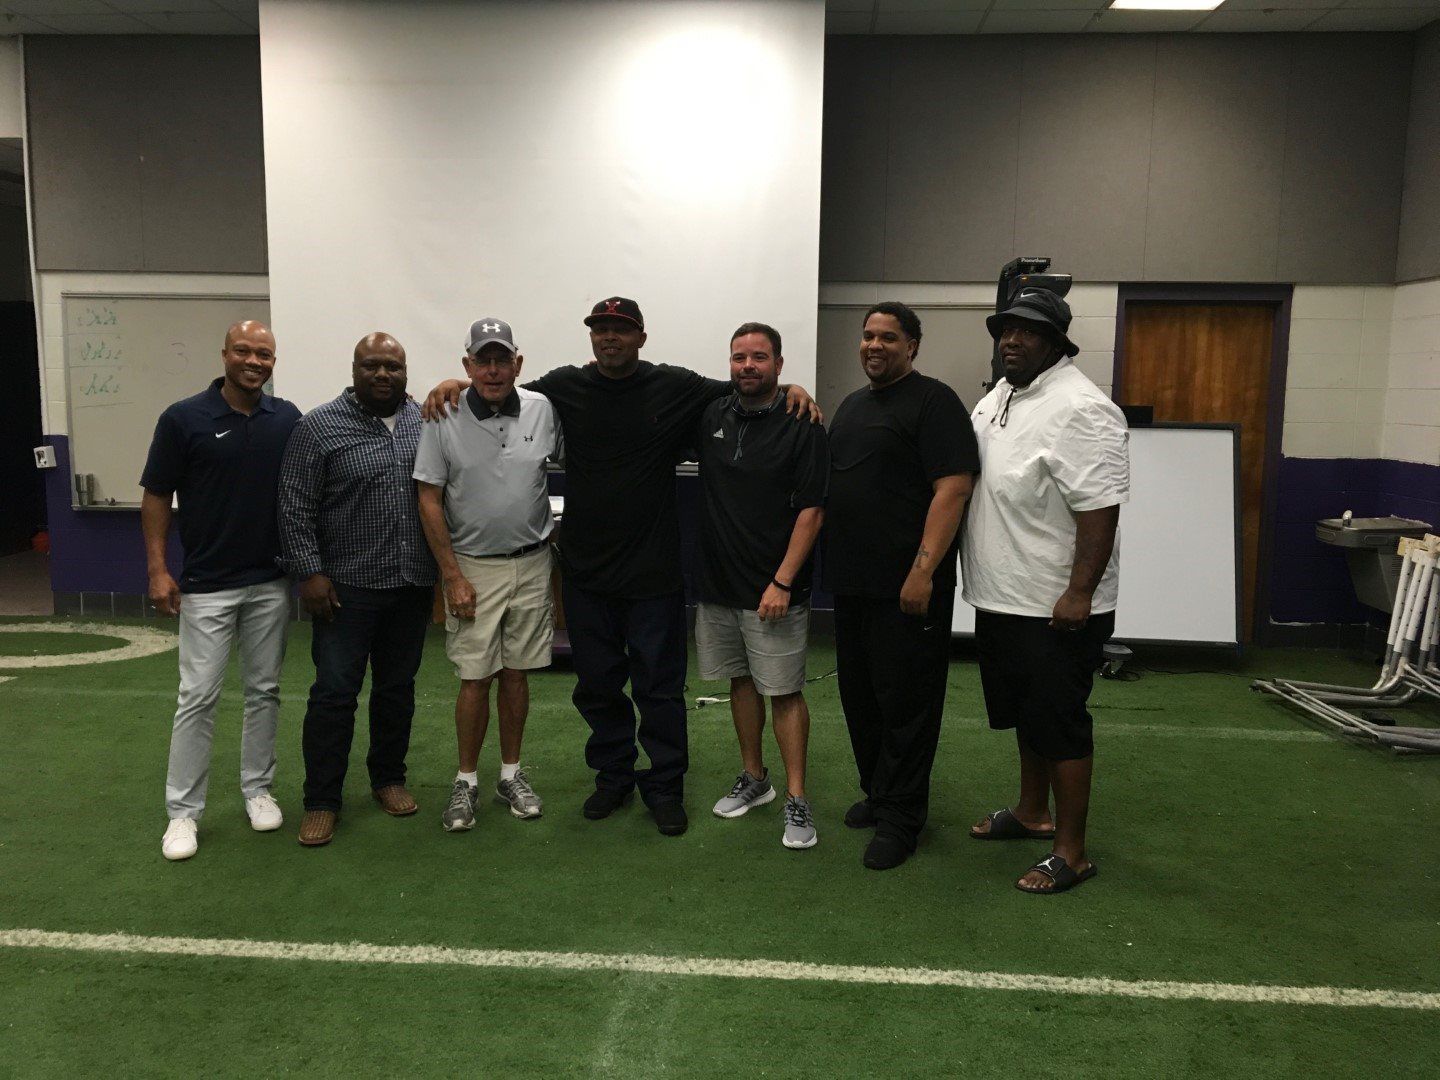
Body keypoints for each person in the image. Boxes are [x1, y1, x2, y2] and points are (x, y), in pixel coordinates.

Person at [424, 297, 818, 837]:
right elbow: (498, 387)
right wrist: (451, 383)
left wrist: (794, 388)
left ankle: (664, 786)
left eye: (621, 330)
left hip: (654, 575)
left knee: (658, 688)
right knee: (599, 686)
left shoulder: (674, 385)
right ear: (591, 337)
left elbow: (747, 386)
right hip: (587, 574)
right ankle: (612, 778)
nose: (609, 338)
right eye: (601, 329)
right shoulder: (563, 387)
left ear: (641, 337)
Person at [962, 288, 1129, 894]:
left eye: (1028, 332)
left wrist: (1078, 592)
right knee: (1025, 717)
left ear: (1057, 343)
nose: (1012, 340)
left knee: (1059, 724)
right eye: (1005, 329)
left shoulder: (1081, 408)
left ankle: (1072, 850)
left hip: (1053, 606)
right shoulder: (1001, 395)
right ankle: (1033, 812)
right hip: (1002, 596)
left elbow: (1100, 507)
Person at [824, 301, 978, 871]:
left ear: (913, 346)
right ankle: (879, 793)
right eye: (868, 336)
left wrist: (923, 571)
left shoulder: (935, 402)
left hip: (909, 590)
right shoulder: (852, 406)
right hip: (854, 585)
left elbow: (953, 488)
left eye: (888, 337)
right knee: (861, 699)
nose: (874, 346)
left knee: (907, 704)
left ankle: (902, 820)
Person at [141, 319, 301, 862]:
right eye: (244, 351)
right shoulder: (183, 419)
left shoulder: (287, 420)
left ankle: (257, 790)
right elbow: (157, 496)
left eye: (264, 354)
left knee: (264, 692)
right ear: (225, 355)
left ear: (273, 362)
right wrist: (158, 570)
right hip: (206, 586)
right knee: (197, 697)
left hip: (270, 583)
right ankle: (182, 813)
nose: (254, 362)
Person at [278, 332, 437, 847]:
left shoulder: (424, 422)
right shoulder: (318, 427)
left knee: (397, 691)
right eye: (372, 365)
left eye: (393, 365)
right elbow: (294, 505)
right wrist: (310, 572)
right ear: (354, 369)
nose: (383, 374)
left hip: (411, 582)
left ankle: (388, 780)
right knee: (333, 696)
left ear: (406, 371)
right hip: (345, 589)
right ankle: (322, 801)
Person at [414, 318, 562, 831]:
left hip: (532, 562)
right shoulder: (443, 412)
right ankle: (466, 780)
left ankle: (511, 774)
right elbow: (429, 498)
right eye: (483, 360)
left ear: (518, 364)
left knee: (517, 673)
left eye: (503, 360)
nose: (493, 370)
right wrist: (451, 575)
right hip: (472, 568)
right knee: (475, 677)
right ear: (467, 365)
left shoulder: (543, 410)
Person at [695, 322, 827, 851]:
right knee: (740, 683)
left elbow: (813, 511)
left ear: (778, 363)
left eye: (759, 357)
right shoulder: (712, 414)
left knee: (784, 692)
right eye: (739, 357)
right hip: (718, 586)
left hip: (775, 591)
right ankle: (756, 779)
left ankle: (797, 799)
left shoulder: (803, 421)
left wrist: (782, 582)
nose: (748, 366)